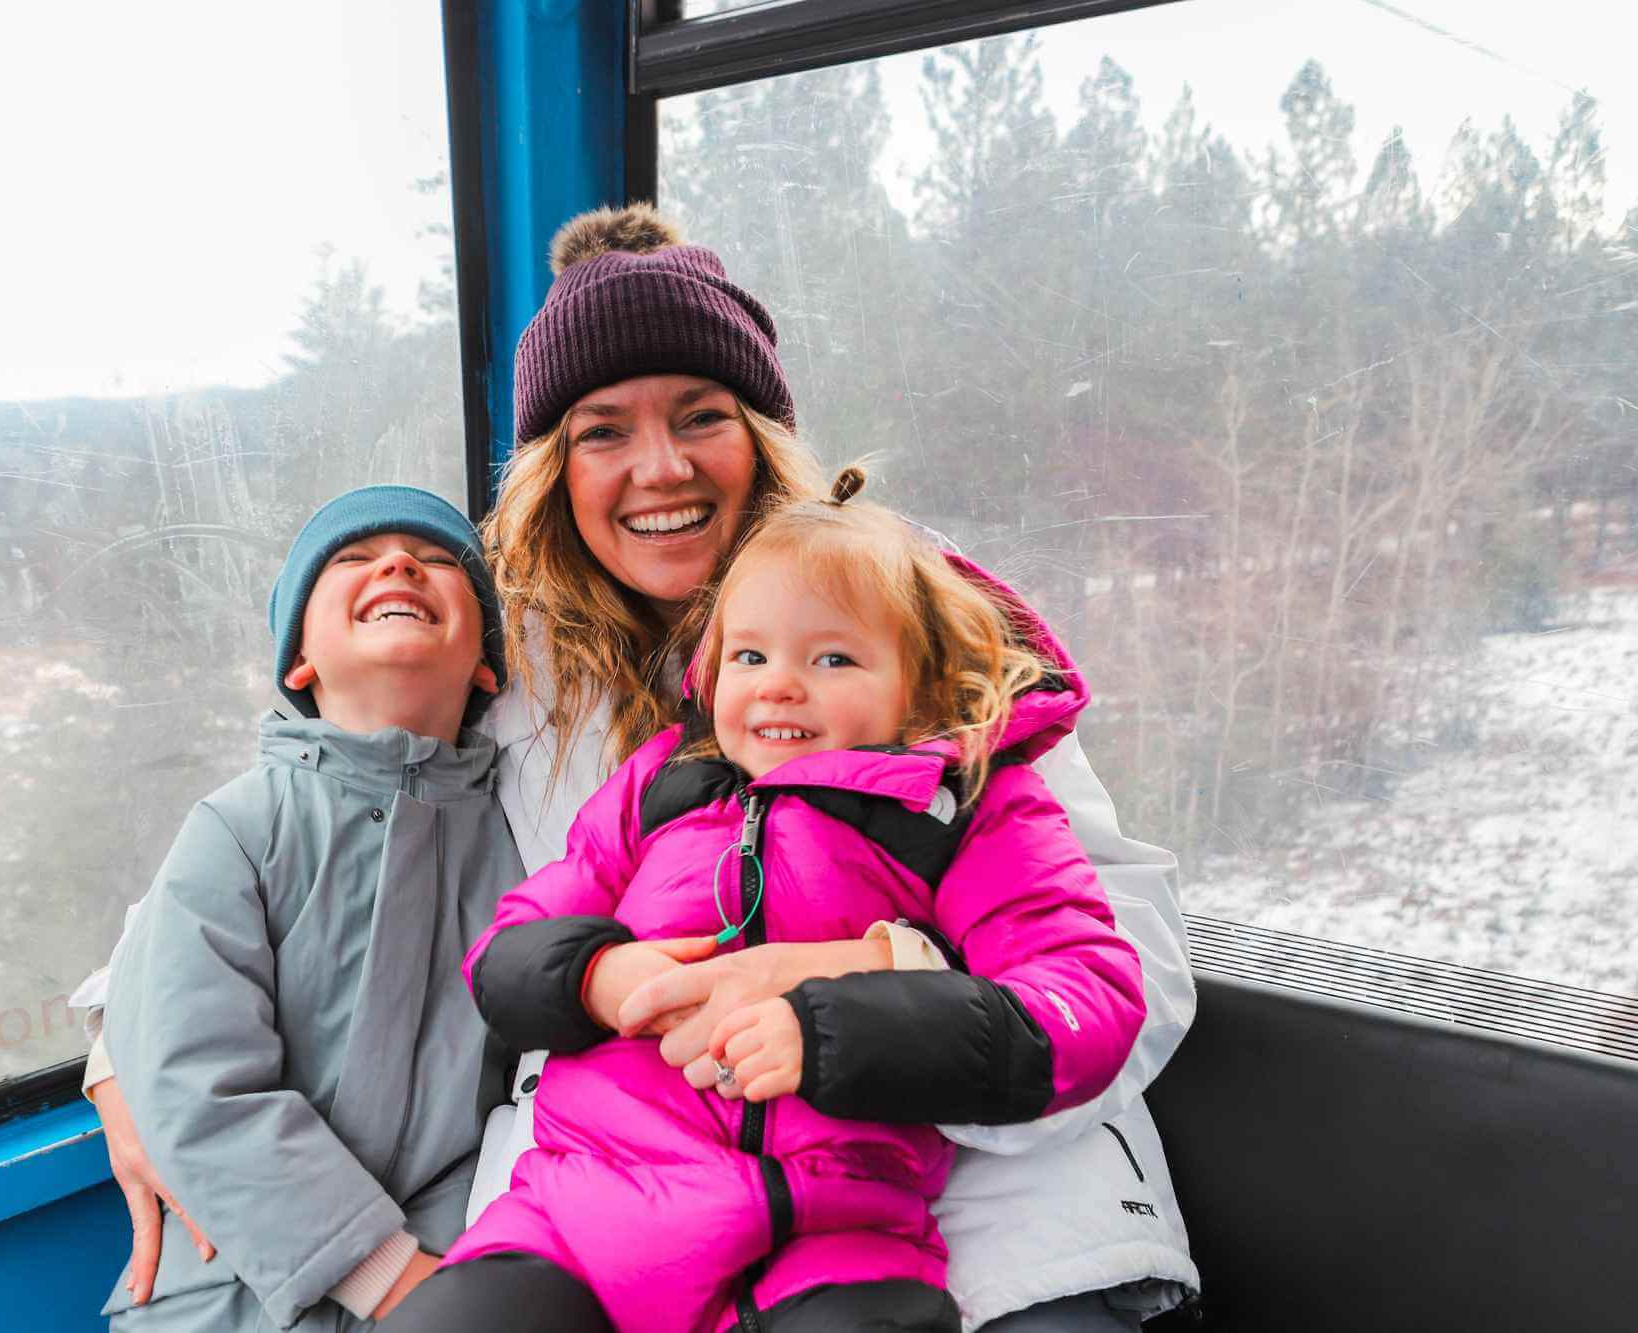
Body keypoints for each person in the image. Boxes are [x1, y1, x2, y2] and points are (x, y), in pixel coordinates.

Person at [77, 203, 1199, 1330]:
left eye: (699, 415)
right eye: (602, 430)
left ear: (761, 435)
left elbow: (1124, 963)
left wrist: (866, 970)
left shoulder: (909, 622)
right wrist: (122, 1049)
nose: (657, 468)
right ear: (553, 471)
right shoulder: (516, 659)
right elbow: (316, 810)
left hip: (969, 1198)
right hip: (627, 1200)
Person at [380, 473, 1147, 1333]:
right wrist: (595, 975)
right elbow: (508, 944)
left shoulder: (962, 808)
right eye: (750, 655)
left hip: (823, 1236)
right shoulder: (663, 787)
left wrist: (830, 1023)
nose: (779, 684)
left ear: (920, 681)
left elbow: (1086, 998)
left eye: (832, 658)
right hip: (578, 1217)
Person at [95, 486, 525, 1331]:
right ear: (301, 663)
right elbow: (195, 1080)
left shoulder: (517, 845)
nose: (398, 563)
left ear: (486, 665)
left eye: (437, 560)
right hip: (224, 1292)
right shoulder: (238, 828)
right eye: (353, 561)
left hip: (452, 1272)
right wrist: (389, 1275)